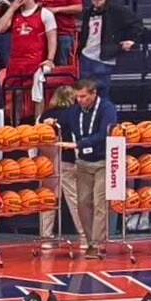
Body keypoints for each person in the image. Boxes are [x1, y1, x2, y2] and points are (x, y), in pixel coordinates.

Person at [52, 78, 118, 258]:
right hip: (83, 162)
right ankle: (89, 241)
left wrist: (79, 144)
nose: (80, 100)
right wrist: (49, 121)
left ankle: (97, 244)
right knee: (82, 203)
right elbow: (59, 120)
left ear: (93, 93)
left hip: (103, 161)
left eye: (83, 96)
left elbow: (104, 133)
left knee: (99, 203)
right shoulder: (74, 110)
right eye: (77, 97)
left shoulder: (107, 108)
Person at [0, 0, 56, 117]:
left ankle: (38, 123)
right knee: (14, 94)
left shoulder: (45, 13)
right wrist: (11, 8)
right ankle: (15, 123)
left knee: (37, 95)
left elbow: (52, 38)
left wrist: (50, 59)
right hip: (15, 61)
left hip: (35, 61)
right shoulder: (14, 13)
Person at [77, 0, 141, 96]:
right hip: (86, 56)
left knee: (101, 93)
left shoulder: (116, 10)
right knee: (84, 92)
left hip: (104, 57)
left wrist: (131, 40)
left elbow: (136, 23)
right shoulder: (88, 12)